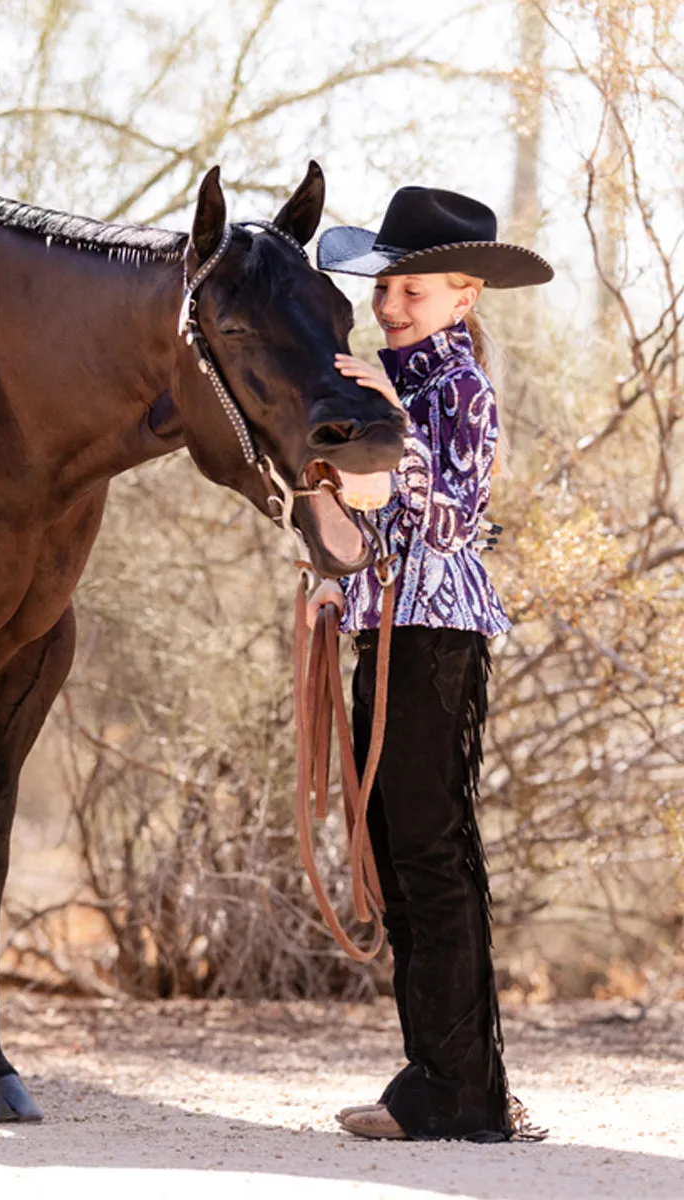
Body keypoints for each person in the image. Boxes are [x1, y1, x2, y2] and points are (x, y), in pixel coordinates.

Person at [309, 186, 553, 1141]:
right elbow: (377, 523)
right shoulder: (394, 382)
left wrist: (387, 423)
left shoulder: (456, 390)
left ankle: (459, 1090)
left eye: (415, 290)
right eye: (387, 287)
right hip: (389, 624)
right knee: (397, 851)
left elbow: (452, 521)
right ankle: (443, 1076)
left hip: (439, 632)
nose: (392, 304)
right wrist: (333, 575)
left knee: (429, 847)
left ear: (465, 298)